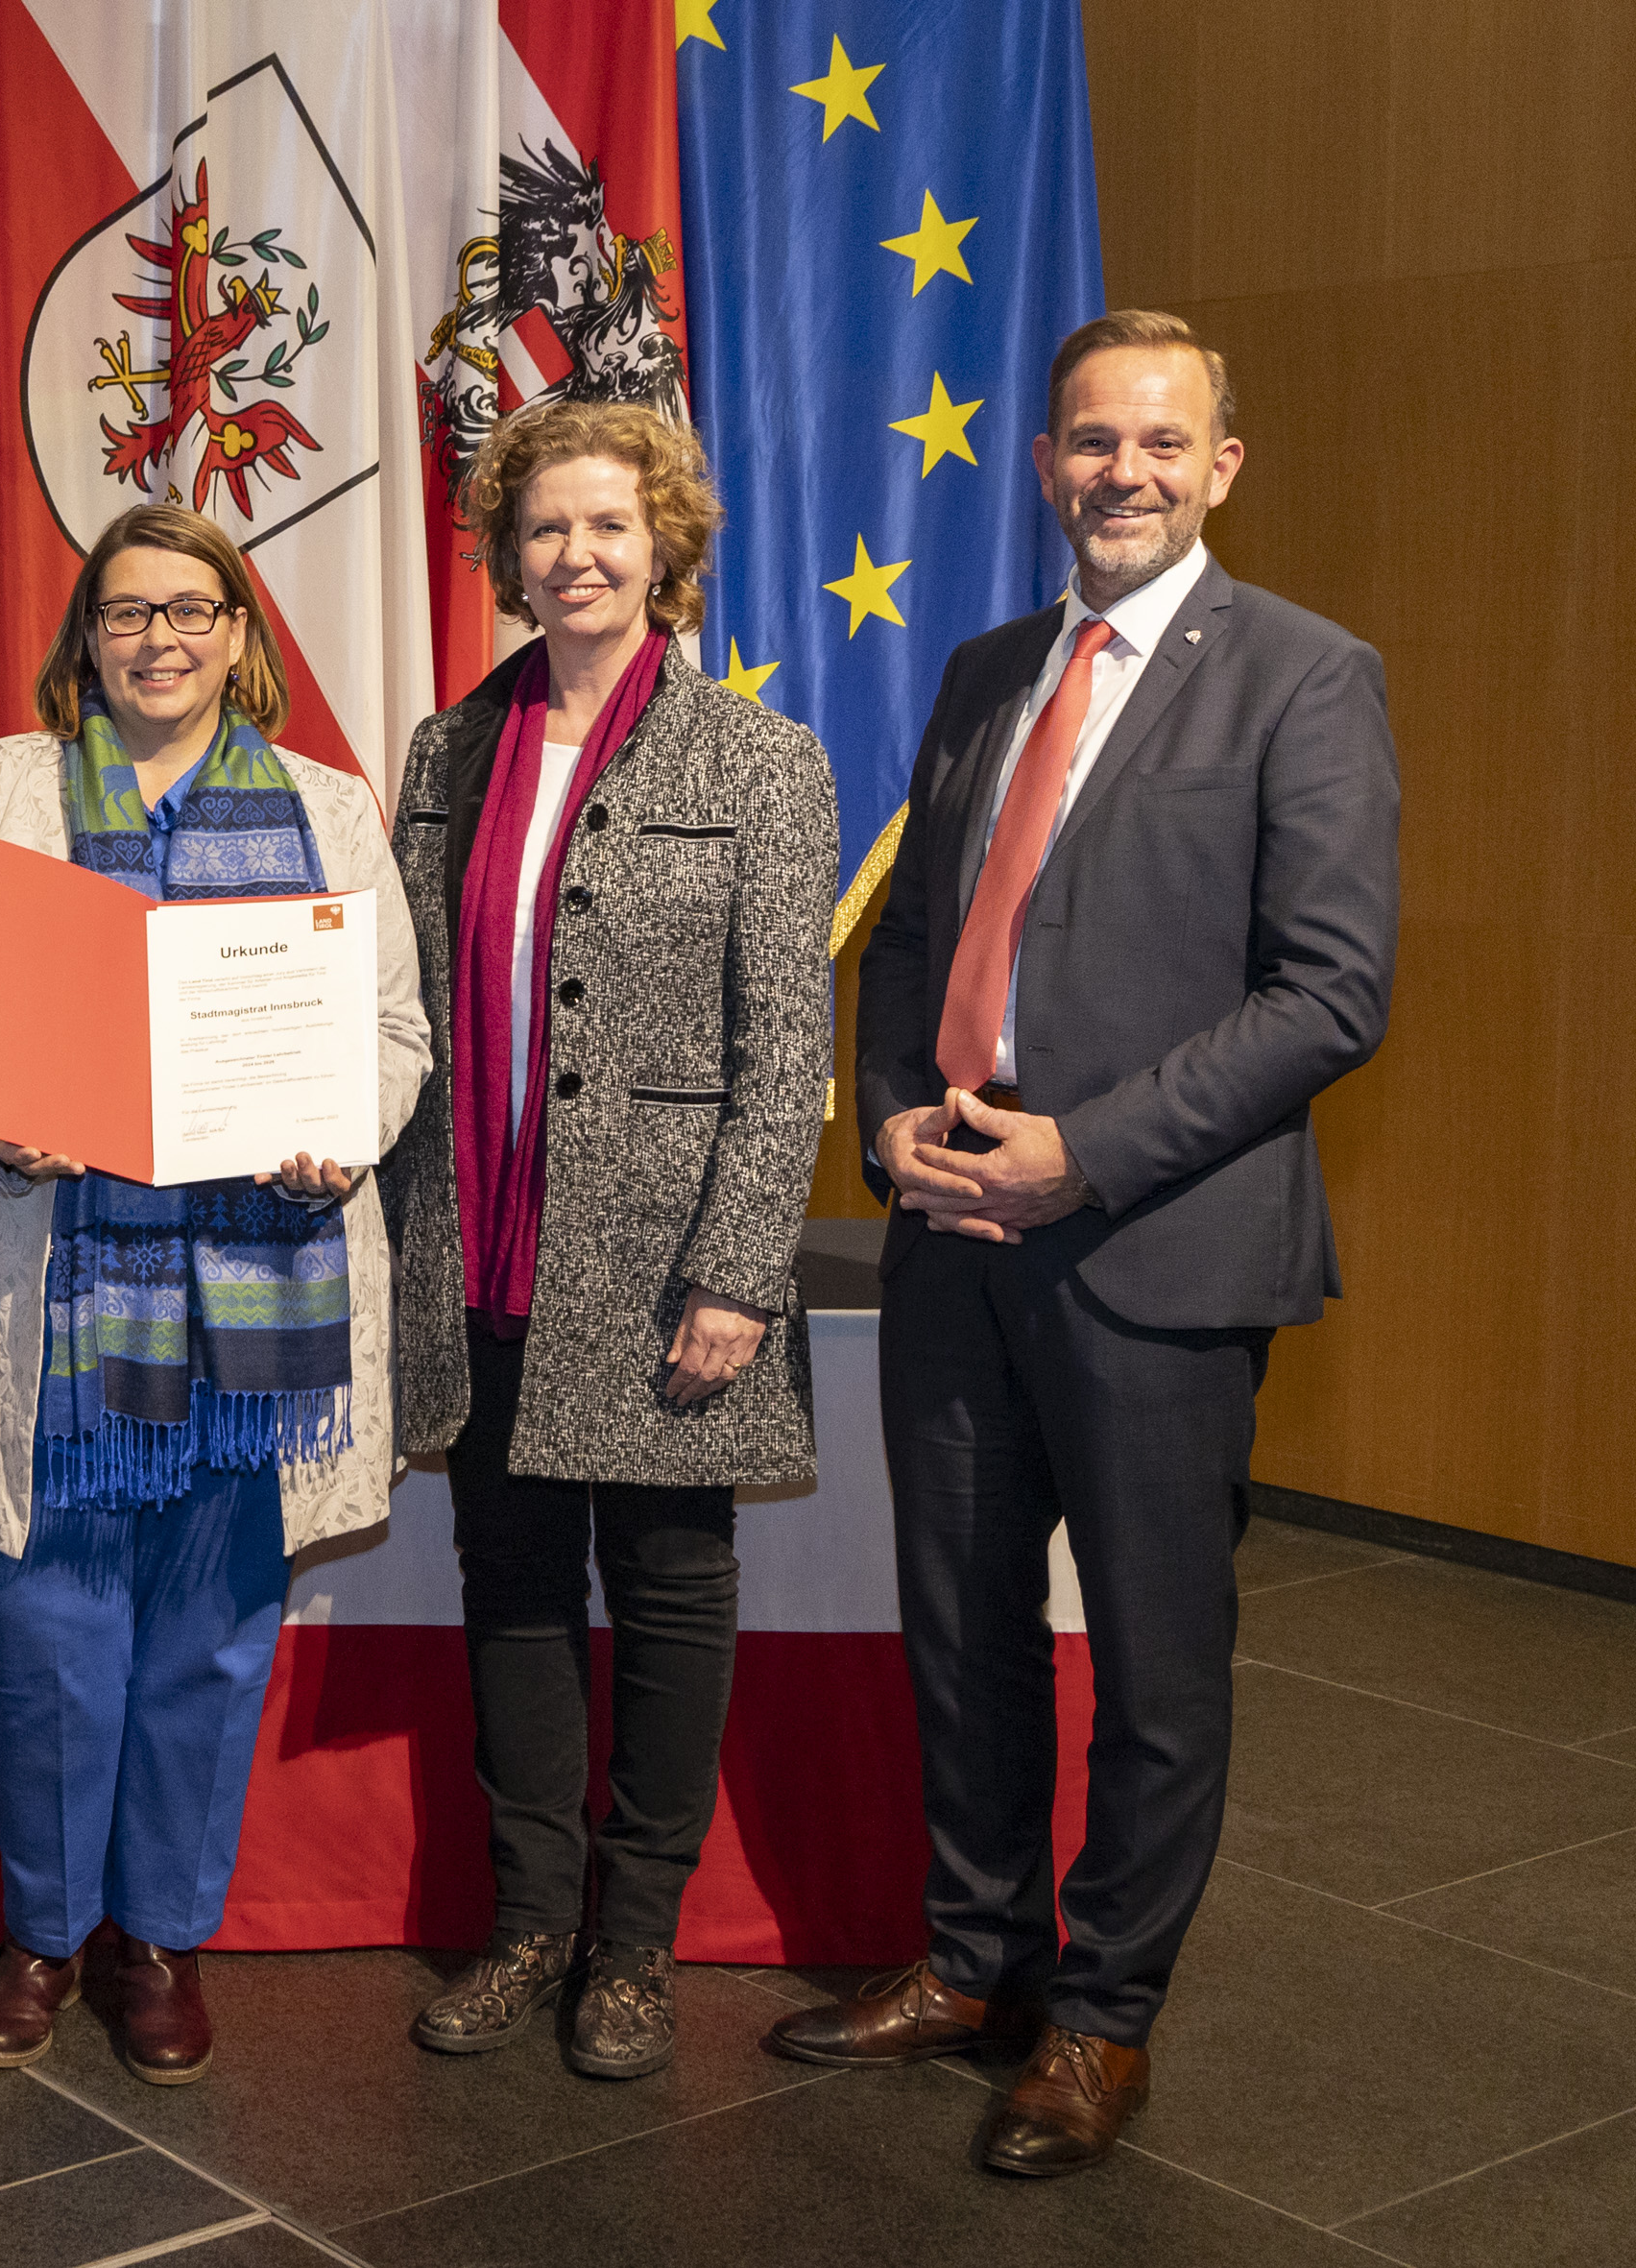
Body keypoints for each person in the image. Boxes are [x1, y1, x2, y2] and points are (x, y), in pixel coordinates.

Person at [760, 311, 1399, 2175]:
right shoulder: (977, 674)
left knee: (1149, 1654)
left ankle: (1103, 2013)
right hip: (951, 1233)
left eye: (1154, 439)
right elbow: (907, 935)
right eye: (1085, 438)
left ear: (1217, 465)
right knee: (959, 1629)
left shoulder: (1301, 675)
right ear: (1040, 462)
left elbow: (1330, 990)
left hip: (1160, 1249)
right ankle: (975, 1959)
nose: (1116, 468)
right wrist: (886, 1109)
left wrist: (1085, 1149)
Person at [0, 502, 429, 2086]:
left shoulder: (326, 807)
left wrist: (342, 1135)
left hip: (258, 1297)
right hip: (51, 1291)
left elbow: (390, 1033)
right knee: (44, 1628)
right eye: (126, 613)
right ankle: (46, 1933)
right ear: (84, 635)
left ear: (239, 637)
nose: (159, 640)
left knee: (211, 1632)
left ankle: (163, 1934)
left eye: (191, 611)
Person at [382, 401, 838, 2080]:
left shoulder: (760, 761)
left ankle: (633, 1950)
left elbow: (787, 1042)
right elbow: (405, 1000)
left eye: (610, 526)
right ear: (507, 555)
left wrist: (738, 1269)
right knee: (507, 1585)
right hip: (482, 1244)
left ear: (667, 551)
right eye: (547, 528)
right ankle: (529, 1921)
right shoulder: (444, 753)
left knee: (667, 1591)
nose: (577, 554)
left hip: (663, 1266)